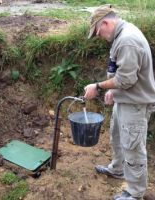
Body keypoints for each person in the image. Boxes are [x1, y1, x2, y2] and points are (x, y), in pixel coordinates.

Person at [84, 4, 155, 200]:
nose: (99, 36)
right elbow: (122, 73)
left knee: (132, 146)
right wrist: (114, 91)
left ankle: (135, 192)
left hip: (135, 103)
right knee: (117, 135)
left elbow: (126, 80)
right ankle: (117, 169)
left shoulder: (127, 40)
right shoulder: (120, 36)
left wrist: (98, 86)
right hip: (124, 99)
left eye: (98, 32)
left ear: (105, 23)